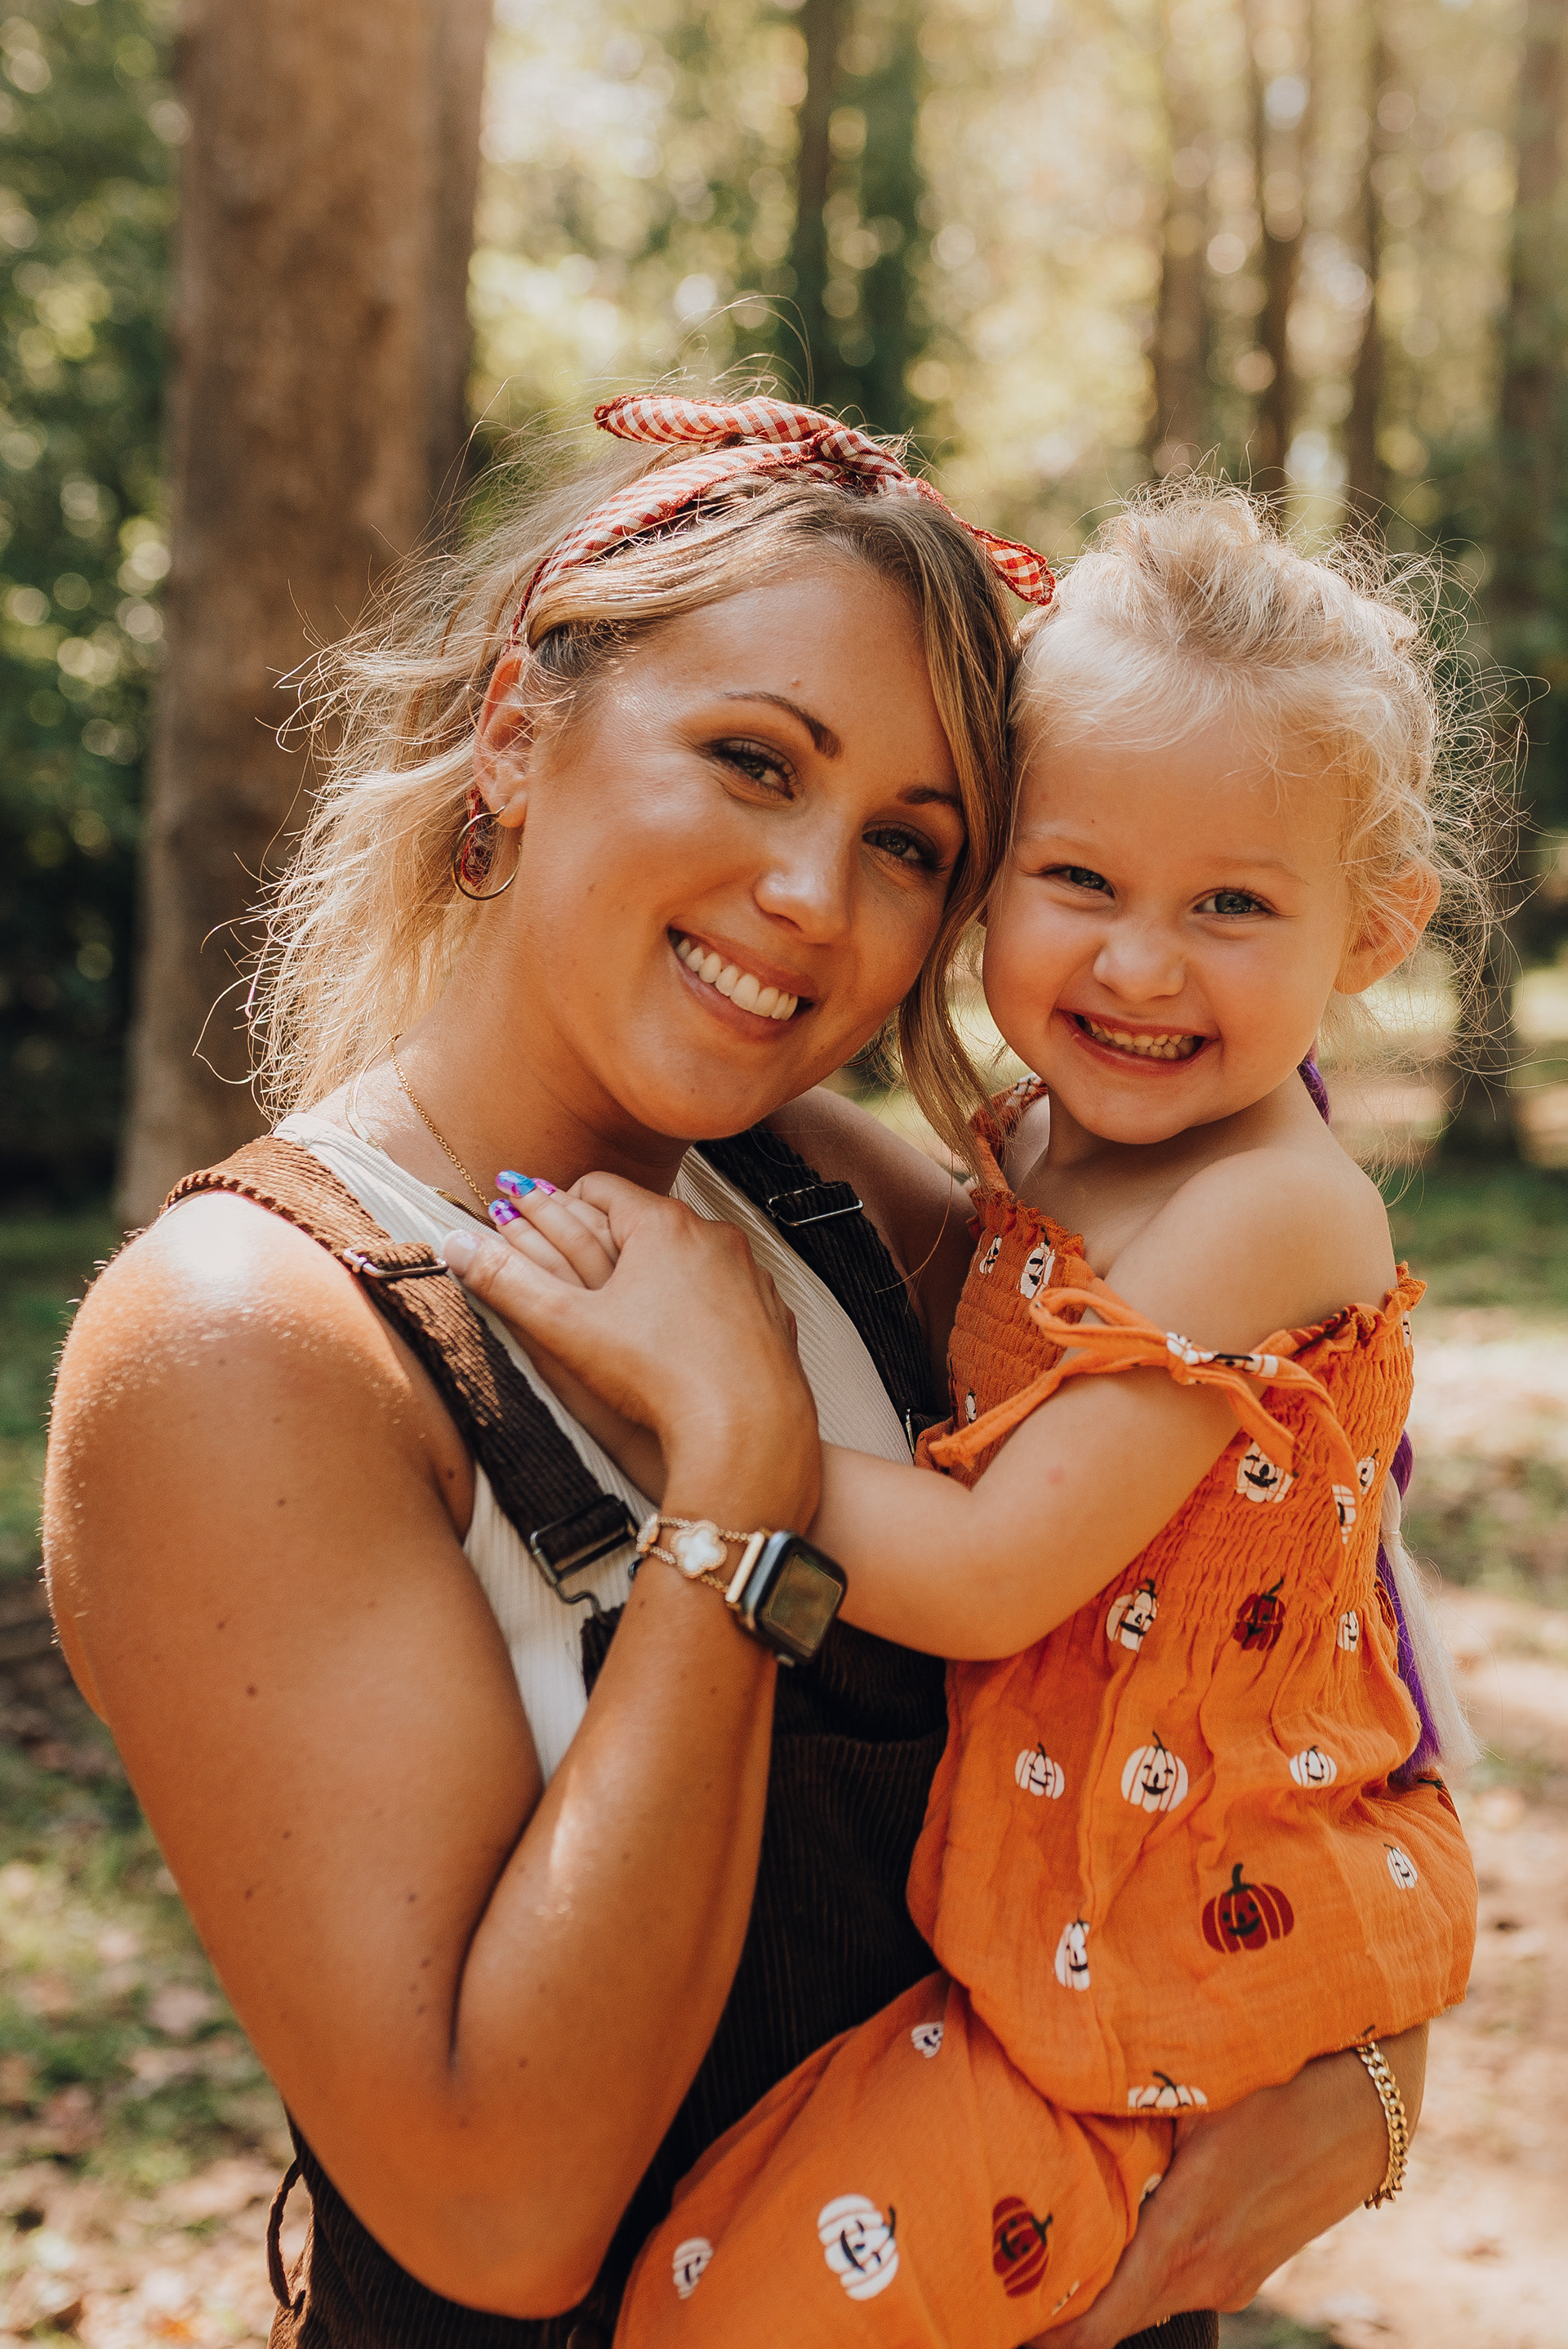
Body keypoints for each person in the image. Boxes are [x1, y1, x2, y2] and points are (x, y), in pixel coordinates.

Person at [46, 402, 1431, 2349]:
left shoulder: (843, 1199)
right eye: (752, 761)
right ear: (518, 729)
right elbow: (500, 2213)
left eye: (908, 846)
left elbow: (1292, 1618)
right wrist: (733, 1483)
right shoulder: (250, 1339)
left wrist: (1367, 2069)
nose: (811, 895)